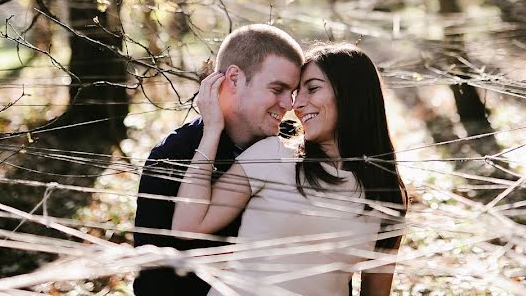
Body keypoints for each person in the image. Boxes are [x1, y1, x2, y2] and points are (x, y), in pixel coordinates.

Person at [172, 44, 408, 296]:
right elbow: (188, 225)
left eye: (313, 89)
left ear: (351, 94)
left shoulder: (386, 192)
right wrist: (212, 130)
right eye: (298, 92)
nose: (297, 104)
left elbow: (376, 292)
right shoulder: (272, 155)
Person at [133, 24, 304, 296]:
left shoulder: (293, 146)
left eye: (292, 92)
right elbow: (154, 275)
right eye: (278, 89)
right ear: (234, 79)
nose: (289, 104)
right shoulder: (173, 154)